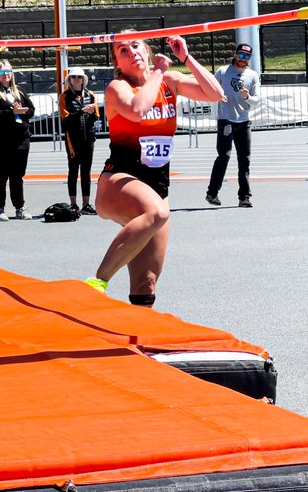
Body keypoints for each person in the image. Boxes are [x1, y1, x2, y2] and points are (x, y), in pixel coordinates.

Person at [86, 35, 222, 307]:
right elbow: (137, 110)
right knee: (157, 213)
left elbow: (216, 94)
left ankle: (140, 330)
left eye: (135, 46)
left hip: (157, 185)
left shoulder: (169, 81)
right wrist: (158, 71)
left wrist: (185, 58)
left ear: (147, 50)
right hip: (119, 180)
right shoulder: (117, 87)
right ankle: (97, 282)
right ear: (118, 63)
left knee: (146, 281)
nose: (131, 52)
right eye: (123, 50)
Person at [205, 42, 261, 208]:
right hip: (226, 121)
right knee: (224, 156)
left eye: (247, 56)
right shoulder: (222, 71)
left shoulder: (253, 76)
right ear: (235, 54)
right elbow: (210, 89)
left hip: (243, 122)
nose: (243, 59)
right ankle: (212, 193)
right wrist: (216, 96)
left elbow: (256, 100)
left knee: (245, 160)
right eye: (241, 55)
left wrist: (247, 97)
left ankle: (244, 197)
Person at [0, 59, 35, 221]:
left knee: (17, 175)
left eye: (8, 72)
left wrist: (23, 111)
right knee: (0, 175)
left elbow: (31, 109)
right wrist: (11, 112)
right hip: (0, 141)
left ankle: (20, 207)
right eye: (2, 72)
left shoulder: (19, 91)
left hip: (21, 139)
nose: (6, 75)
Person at [59, 66, 99, 216]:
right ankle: (73, 203)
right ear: (69, 80)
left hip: (89, 137)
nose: (76, 80)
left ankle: (86, 204)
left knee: (86, 171)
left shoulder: (91, 95)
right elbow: (66, 118)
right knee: (73, 170)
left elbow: (96, 116)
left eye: (79, 77)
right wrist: (82, 111)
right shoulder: (64, 97)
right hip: (73, 138)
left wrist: (91, 112)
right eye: (73, 77)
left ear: (83, 80)